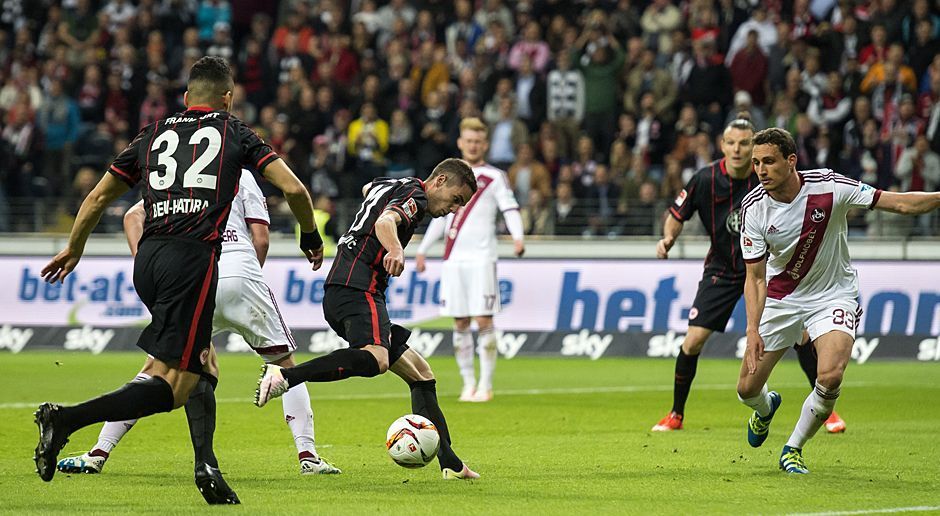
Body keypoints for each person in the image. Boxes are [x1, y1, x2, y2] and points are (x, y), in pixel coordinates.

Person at [32, 57, 324, 504]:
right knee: (173, 386)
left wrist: (74, 248)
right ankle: (66, 420)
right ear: (228, 98)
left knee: (198, 363)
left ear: (186, 98)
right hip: (193, 261)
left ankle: (207, 469)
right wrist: (309, 235)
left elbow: (96, 198)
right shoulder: (235, 132)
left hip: (148, 259)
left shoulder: (150, 134)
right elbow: (297, 190)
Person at [55, 169, 339, 479]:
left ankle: (98, 452)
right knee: (285, 367)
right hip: (241, 275)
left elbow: (132, 217)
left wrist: (146, 264)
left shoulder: (179, 174)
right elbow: (261, 238)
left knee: (155, 371)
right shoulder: (241, 175)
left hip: (194, 276)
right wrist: (245, 279)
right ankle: (308, 455)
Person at [254, 158, 482, 481]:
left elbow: (369, 189)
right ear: (440, 180)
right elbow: (384, 223)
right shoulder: (415, 197)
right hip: (358, 288)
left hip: (341, 287)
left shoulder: (391, 185)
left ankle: (451, 463)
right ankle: (286, 376)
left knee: (421, 373)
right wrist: (395, 250)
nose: (453, 209)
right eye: (456, 199)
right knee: (378, 360)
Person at [737, 127, 940, 473]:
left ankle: (793, 448)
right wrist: (752, 328)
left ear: (790, 161)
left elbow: (900, 202)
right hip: (782, 298)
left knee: (829, 375)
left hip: (833, 295)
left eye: (768, 162)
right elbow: (755, 277)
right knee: (746, 389)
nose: (760, 170)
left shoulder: (831, 187)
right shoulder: (753, 209)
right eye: (756, 163)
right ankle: (765, 408)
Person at [651, 115, 846, 434]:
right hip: (723, 270)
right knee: (693, 341)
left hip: (770, 271)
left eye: (745, 143)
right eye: (732, 143)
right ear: (722, 145)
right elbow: (677, 214)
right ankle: (676, 413)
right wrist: (668, 238)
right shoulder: (704, 179)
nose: (739, 150)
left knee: (801, 337)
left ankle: (828, 411)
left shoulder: (767, 174)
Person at [414, 117, 525, 402]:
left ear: (485, 144)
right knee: (460, 322)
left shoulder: (494, 177)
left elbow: (509, 208)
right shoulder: (450, 178)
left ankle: (486, 385)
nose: (473, 146)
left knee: (483, 319)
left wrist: (518, 236)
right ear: (460, 142)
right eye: (469, 140)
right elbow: (439, 215)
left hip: (482, 258)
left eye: (478, 141)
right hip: (453, 259)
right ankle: (468, 384)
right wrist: (424, 248)